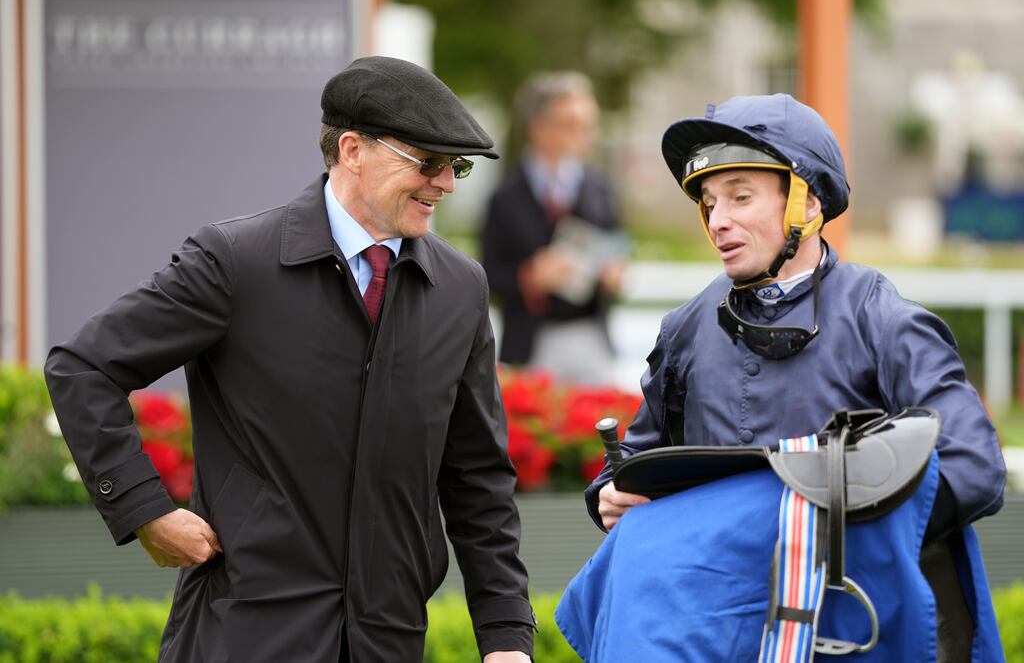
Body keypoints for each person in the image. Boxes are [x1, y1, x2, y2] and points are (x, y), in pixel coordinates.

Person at [44, 56, 534, 663]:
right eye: (428, 163)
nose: (446, 184)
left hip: (389, 638)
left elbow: (476, 476)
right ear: (353, 150)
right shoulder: (234, 262)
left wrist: (507, 636)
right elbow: (83, 367)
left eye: (454, 166)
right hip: (246, 634)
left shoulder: (460, 289)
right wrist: (144, 510)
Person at [583, 93, 1006, 659]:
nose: (719, 220)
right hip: (715, 627)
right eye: (709, 202)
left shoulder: (884, 319)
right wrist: (610, 495)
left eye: (740, 197)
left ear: (805, 205)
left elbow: (974, 469)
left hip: (847, 623)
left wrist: (828, 528)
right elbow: (640, 459)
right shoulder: (683, 328)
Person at [482, 71, 626, 384]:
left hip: (592, 340)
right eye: (572, 124)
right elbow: (487, 275)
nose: (586, 134)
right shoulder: (505, 197)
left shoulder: (601, 189)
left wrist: (615, 274)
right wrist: (528, 277)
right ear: (538, 127)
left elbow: (618, 248)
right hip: (529, 344)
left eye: (589, 124)